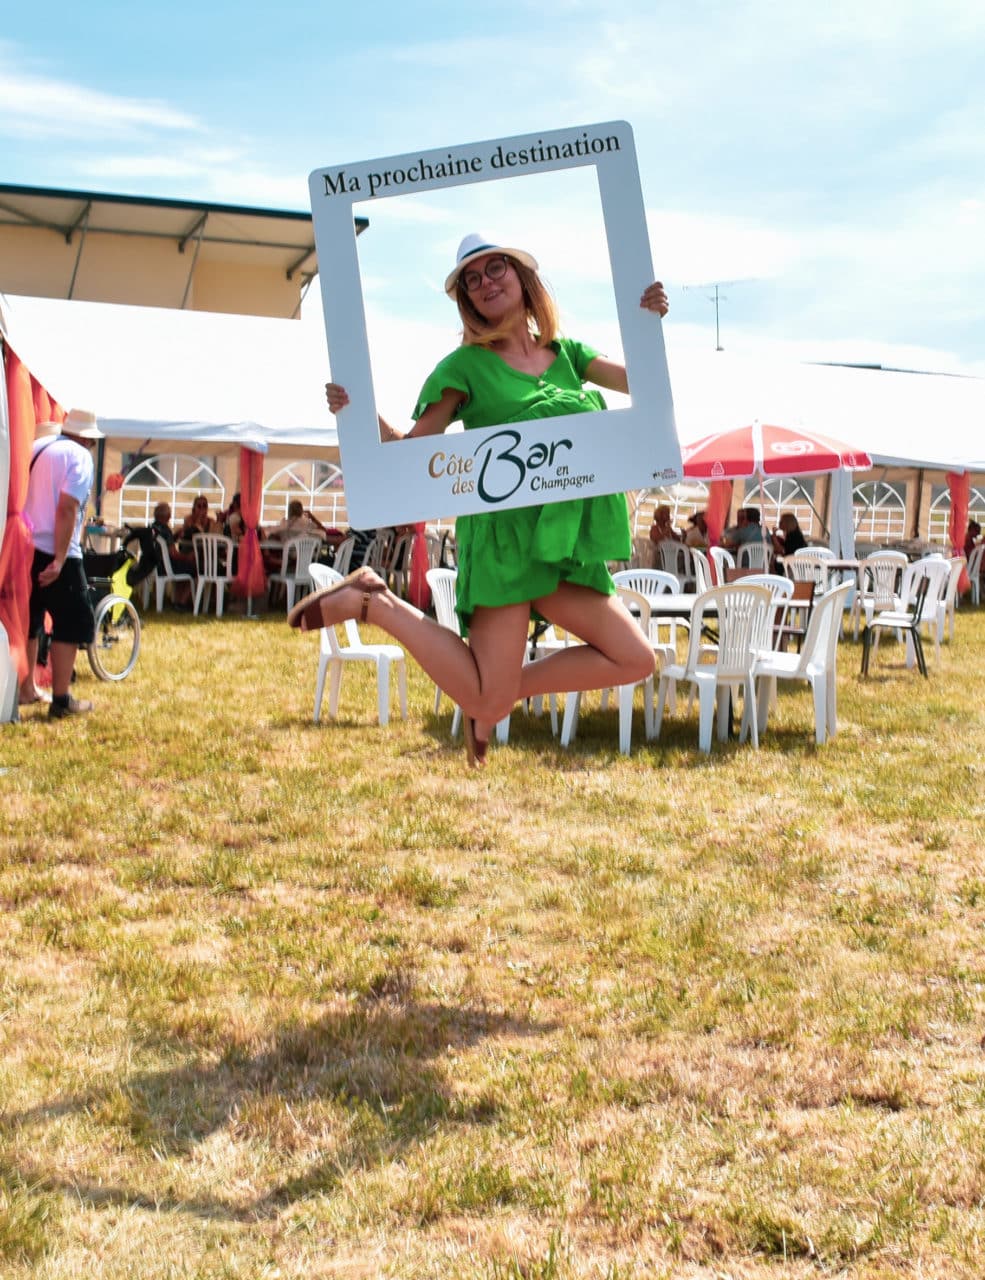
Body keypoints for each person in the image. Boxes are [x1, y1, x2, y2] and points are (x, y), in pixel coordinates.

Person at [289, 232, 669, 766]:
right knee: (485, 697)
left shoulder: (570, 354)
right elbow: (413, 453)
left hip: (565, 542)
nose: (486, 282)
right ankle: (373, 599)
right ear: (467, 299)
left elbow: (651, 388)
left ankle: (501, 692)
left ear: (522, 278)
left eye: (496, 269)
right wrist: (357, 412)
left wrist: (651, 323)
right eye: (473, 278)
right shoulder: (464, 367)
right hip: (503, 541)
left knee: (636, 658)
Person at [19, 410, 103, 716]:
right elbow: (67, 507)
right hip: (56, 551)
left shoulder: (38, 448)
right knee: (74, 620)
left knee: (32, 620)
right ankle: (62, 699)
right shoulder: (79, 456)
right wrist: (59, 558)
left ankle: (26, 688)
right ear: (85, 438)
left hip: (25, 546)